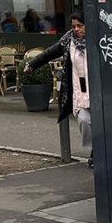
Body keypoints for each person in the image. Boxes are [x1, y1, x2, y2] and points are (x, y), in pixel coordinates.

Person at [26, 13, 92, 167]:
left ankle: (97, 153)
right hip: (79, 88)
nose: (76, 29)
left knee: (99, 122)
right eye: (73, 26)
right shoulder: (69, 40)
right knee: (84, 119)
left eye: (80, 26)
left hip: (96, 87)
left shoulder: (96, 38)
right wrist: (32, 64)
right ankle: (94, 148)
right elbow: (50, 52)